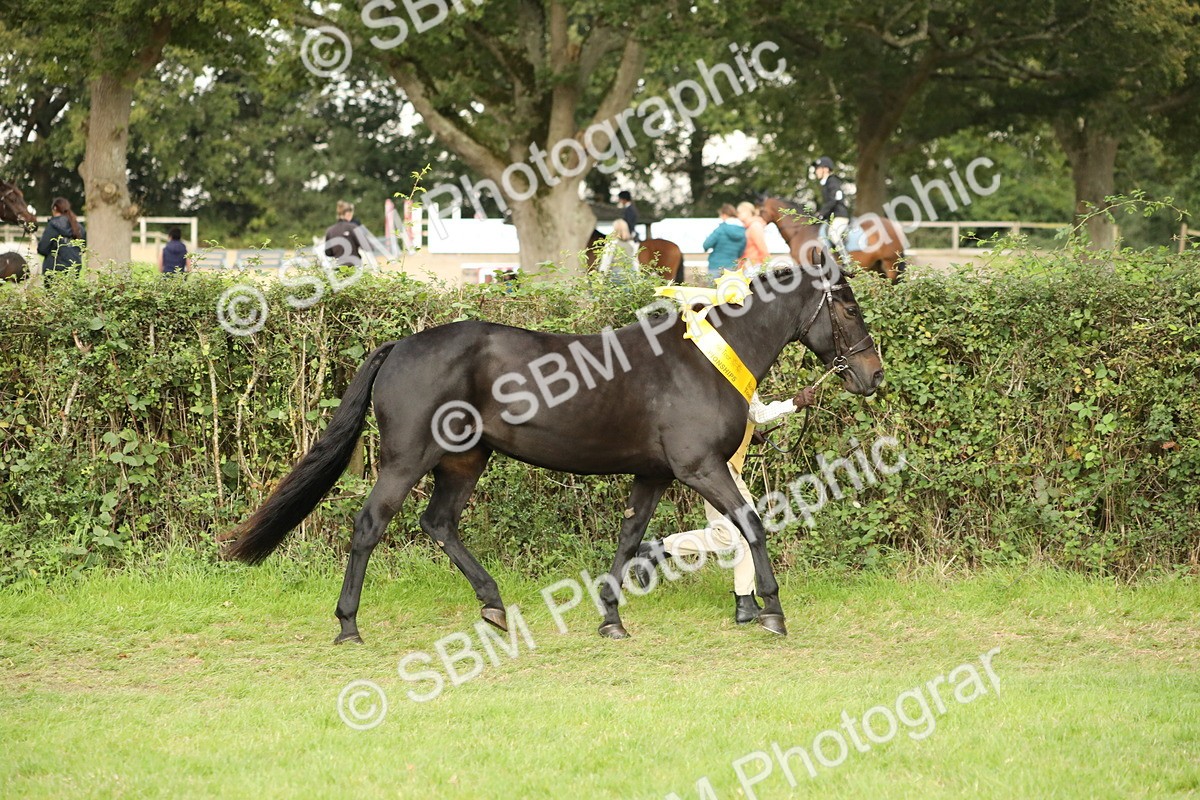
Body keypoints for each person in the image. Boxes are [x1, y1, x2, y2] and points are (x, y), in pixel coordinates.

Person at [633, 387, 819, 623]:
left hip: (723, 467)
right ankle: (658, 549)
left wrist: (747, 434)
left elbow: (744, 414)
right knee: (734, 535)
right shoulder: (734, 372)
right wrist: (795, 403)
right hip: (718, 470)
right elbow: (758, 413)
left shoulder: (731, 373)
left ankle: (745, 602)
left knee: (746, 532)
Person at [37, 196, 86, 275]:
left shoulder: (53, 226)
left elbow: (42, 248)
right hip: (74, 270)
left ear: (55, 208)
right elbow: (83, 248)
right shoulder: (78, 227)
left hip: (54, 270)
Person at [813, 156, 849, 257]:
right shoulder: (825, 183)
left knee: (833, 234)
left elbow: (833, 200)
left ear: (825, 169)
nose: (816, 171)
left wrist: (820, 214)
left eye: (818, 168)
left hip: (839, 215)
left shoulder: (832, 181)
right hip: (831, 217)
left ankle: (846, 260)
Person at [702, 203, 747, 280]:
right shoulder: (743, 231)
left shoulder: (721, 229)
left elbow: (706, 245)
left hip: (715, 267)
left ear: (724, 215)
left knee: (713, 291)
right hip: (732, 268)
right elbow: (740, 253)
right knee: (729, 291)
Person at [324, 200, 366, 267]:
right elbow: (366, 246)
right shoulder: (353, 226)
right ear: (348, 213)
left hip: (339, 267)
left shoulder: (330, 230)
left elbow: (328, 252)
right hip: (354, 267)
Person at [737, 201, 769, 271]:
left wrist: (767, 265)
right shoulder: (748, 227)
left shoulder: (755, 226)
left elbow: (762, 247)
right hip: (748, 265)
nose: (738, 215)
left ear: (747, 212)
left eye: (740, 212)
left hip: (754, 266)